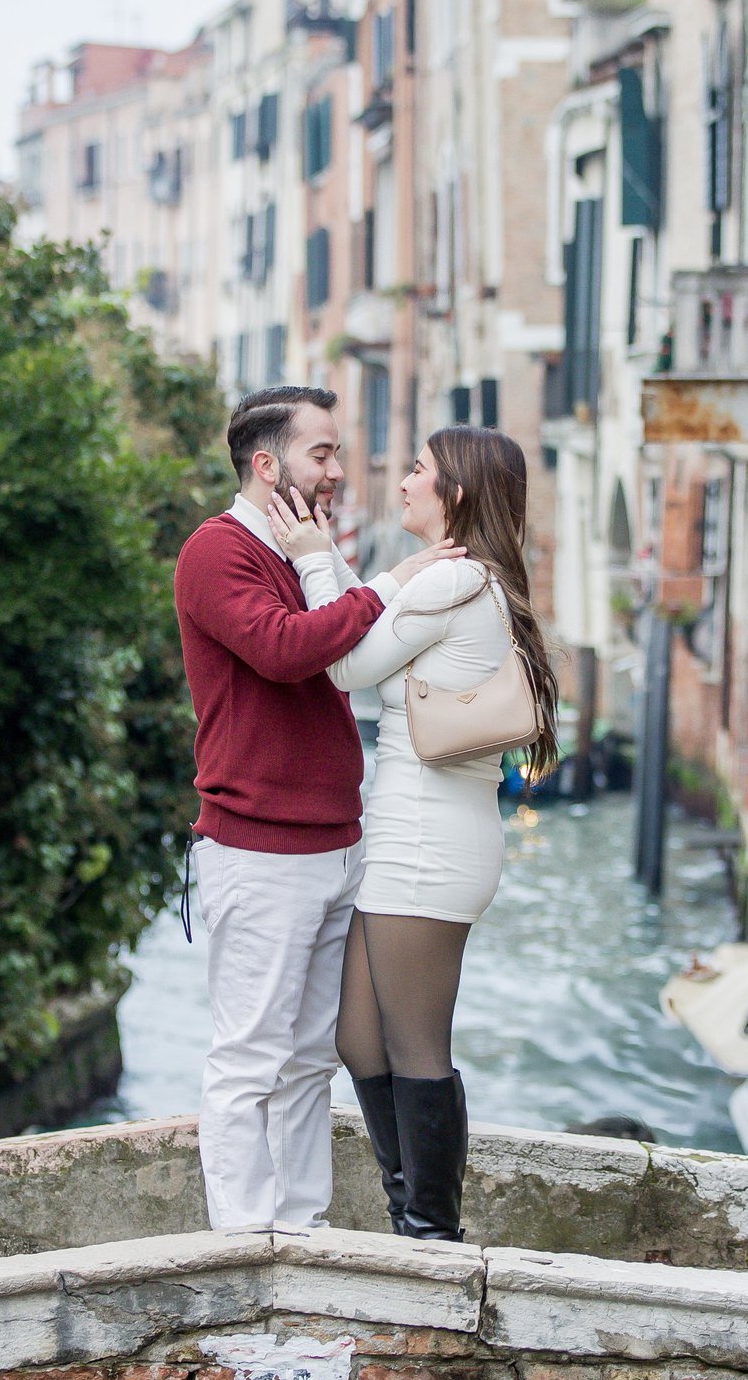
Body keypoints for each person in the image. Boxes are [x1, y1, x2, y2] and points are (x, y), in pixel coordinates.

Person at [173, 386, 458, 1234]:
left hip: (336, 841)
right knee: (249, 1057)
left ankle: (298, 1228)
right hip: (258, 849)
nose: (338, 471)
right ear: (269, 465)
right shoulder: (214, 553)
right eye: (322, 454)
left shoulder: (305, 552)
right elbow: (289, 652)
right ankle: (242, 1239)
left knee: (306, 1060)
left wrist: (328, 567)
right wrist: (394, 579)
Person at [266, 426, 558, 1242]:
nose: (403, 482)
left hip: (430, 844)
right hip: (408, 836)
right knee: (359, 1037)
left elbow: (346, 665)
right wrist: (359, 570)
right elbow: (373, 623)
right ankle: (410, 1209)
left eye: (420, 470)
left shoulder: (457, 581)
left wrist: (316, 559)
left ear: (456, 492)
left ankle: (432, 1232)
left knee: (417, 1045)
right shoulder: (446, 579)